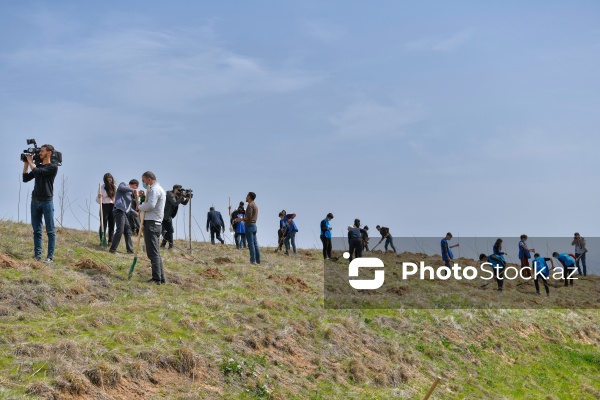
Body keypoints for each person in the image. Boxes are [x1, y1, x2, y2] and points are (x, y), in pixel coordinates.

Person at [22, 144, 58, 264]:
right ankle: (37, 256)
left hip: (47, 202)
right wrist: (26, 164)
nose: (39, 153)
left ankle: (50, 257)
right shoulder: (37, 166)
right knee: (37, 230)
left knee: (50, 231)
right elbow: (25, 178)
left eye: (42, 151)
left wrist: (30, 161)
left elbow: (38, 171)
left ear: (49, 153)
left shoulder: (53, 167)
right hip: (35, 201)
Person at [138, 171, 166, 284]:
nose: (143, 183)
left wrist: (139, 206)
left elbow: (150, 205)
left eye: (144, 181)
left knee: (152, 253)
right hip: (155, 224)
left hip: (152, 224)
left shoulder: (155, 190)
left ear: (149, 180)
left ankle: (156, 279)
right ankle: (161, 278)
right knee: (156, 252)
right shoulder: (158, 189)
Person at [109, 179, 139, 254]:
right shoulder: (123, 185)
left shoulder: (129, 194)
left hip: (123, 212)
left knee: (128, 231)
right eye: (135, 188)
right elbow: (121, 188)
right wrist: (133, 190)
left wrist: (136, 214)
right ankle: (113, 249)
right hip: (118, 210)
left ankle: (130, 250)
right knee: (120, 229)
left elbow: (129, 208)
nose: (135, 190)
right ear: (134, 185)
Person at [161, 185, 190, 249]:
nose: (179, 191)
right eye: (178, 190)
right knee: (170, 230)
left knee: (169, 230)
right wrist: (182, 197)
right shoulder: (170, 194)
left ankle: (163, 245)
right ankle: (170, 246)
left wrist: (187, 199)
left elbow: (184, 203)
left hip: (169, 216)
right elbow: (175, 203)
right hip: (165, 215)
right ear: (175, 189)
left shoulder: (178, 196)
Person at [235, 192, 260, 264]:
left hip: (249, 226)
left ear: (249, 197)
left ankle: (253, 260)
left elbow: (248, 217)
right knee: (255, 244)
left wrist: (240, 219)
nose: (246, 197)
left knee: (251, 244)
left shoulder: (250, 205)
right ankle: (258, 260)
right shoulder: (255, 205)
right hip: (254, 225)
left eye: (247, 196)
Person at [96, 173, 116, 244]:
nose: (109, 181)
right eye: (108, 180)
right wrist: (99, 197)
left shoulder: (115, 187)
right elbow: (97, 201)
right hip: (104, 206)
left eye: (110, 179)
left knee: (112, 224)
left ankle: (111, 240)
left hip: (113, 206)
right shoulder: (101, 188)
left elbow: (116, 199)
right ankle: (102, 240)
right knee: (103, 223)